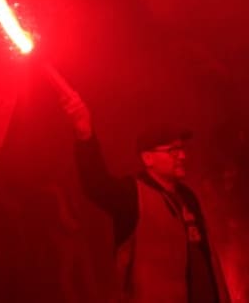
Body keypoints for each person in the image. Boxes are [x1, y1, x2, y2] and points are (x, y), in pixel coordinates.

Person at [45, 66, 231, 303]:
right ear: (147, 158)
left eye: (182, 149)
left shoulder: (188, 196)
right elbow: (96, 184)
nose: (182, 156)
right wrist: (85, 134)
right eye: (173, 150)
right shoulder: (132, 196)